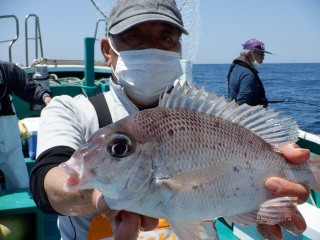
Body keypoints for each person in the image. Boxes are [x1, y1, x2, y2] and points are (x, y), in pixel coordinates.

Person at [29, 1, 310, 239]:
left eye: (166, 37)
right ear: (107, 50)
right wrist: (96, 195)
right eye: (134, 36)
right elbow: (47, 182)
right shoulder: (71, 110)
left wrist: (279, 179)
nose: (152, 48)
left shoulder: (205, 115)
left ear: (178, 50)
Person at [0, 60, 52, 191]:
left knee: (19, 177)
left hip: (6, 129)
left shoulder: (5, 69)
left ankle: (26, 203)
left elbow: (29, 87)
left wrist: (47, 99)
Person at [227, 38, 272, 108]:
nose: (263, 58)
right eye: (261, 54)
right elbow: (242, 102)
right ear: (250, 54)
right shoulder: (248, 75)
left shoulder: (235, 68)